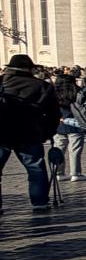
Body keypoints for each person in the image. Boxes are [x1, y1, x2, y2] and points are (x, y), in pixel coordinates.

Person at [0, 53, 60, 213]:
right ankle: (39, 202)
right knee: (35, 170)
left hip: (1, 134)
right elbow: (54, 114)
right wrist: (47, 133)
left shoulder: (1, 83)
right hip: (29, 134)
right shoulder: (42, 86)